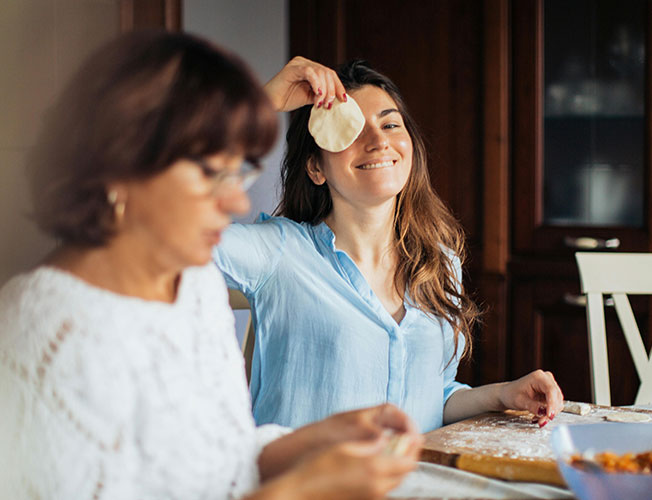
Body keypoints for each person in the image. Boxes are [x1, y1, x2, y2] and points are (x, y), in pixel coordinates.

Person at [0, 32, 423, 500]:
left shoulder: (193, 288)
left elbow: (221, 457)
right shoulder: (47, 332)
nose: (235, 200)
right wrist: (301, 490)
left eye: (239, 172)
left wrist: (321, 438)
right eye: (212, 173)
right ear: (120, 169)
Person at [214, 57, 564, 432]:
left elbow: (432, 396)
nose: (378, 140)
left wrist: (500, 395)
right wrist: (257, 107)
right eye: (350, 130)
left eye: (390, 123)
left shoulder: (440, 264)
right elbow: (151, 221)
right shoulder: (276, 253)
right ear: (316, 167)